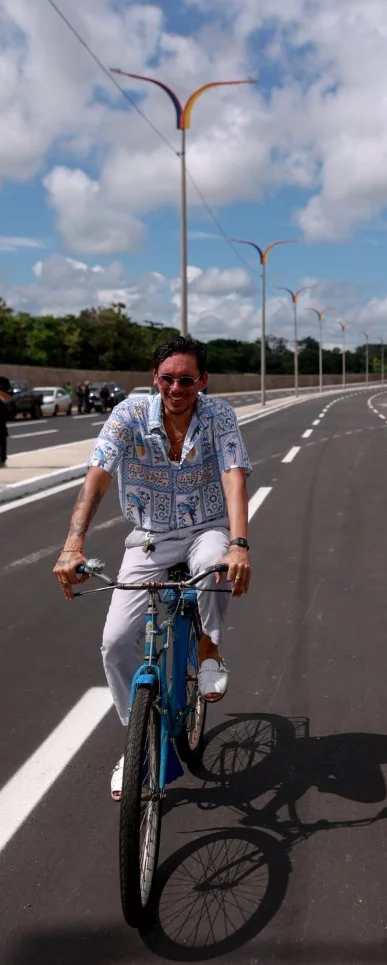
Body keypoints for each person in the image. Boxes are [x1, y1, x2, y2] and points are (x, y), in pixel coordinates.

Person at [53, 335, 252, 799]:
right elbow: (98, 475)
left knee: (212, 563)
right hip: (149, 537)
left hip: (207, 526)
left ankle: (207, 646)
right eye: (168, 378)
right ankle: (138, 740)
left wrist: (239, 543)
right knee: (115, 642)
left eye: (187, 379)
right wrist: (72, 544)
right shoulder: (129, 415)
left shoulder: (218, 415)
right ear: (154, 379)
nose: (177, 388)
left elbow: (233, 475)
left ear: (203, 380)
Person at [0, 374, 11, 467]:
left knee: (1, 436)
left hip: (1, 413)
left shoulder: (3, 381)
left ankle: (2, 459)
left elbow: (9, 397)